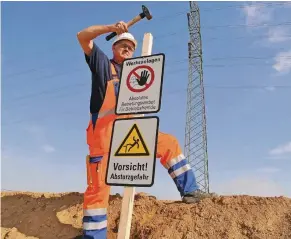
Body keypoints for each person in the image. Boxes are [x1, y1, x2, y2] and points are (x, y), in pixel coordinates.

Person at [77, 21, 212, 239]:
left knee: (168, 143)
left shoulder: (137, 73)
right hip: (104, 136)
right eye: (122, 44)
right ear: (113, 47)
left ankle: (190, 190)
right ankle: (94, 236)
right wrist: (111, 28)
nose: (127, 49)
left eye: (130, 47)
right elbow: (82, 36)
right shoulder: (102, 64)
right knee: (98, 189)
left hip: (131, 132)